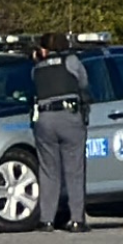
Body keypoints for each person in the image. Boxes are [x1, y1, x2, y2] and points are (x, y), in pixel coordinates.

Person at [32, 32, 91, 232]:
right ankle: (76, 219)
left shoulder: (37, 67)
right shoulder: (71, 60)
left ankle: (46, 219)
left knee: (48, 170)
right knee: (74, 170)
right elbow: (83, 82)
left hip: (44, 118)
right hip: (68, 115)